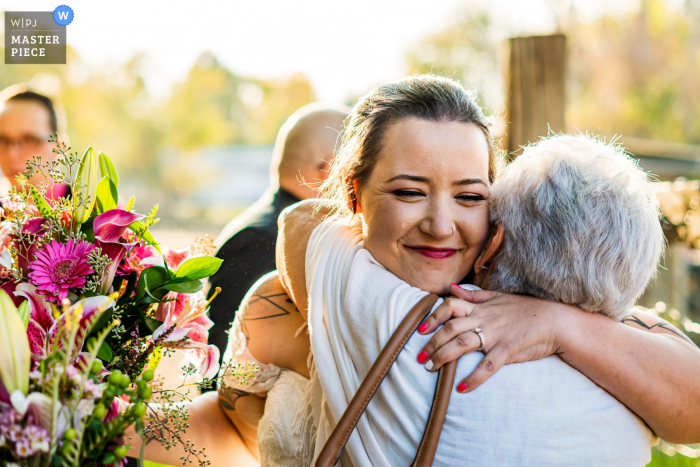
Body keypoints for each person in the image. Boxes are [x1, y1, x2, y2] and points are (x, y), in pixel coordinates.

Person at [127, 75, 700, 466]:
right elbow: (232, 433)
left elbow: (303, 222)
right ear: (353, 194)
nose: (440, 224)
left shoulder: (298, 291)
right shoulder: (290, 299)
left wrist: (556, 322)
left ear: (498, 212)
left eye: (471, 196)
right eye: (408, 191)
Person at [207, 103, 349, 359]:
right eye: (358, 167)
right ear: (332, 169)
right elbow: (225, 368)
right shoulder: (258, 241)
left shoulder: (279, 230)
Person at [0, 88, 67, 197]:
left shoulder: (95, 209)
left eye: (29, 141)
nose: (12, 155)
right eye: (3, 141)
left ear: (58, 147)